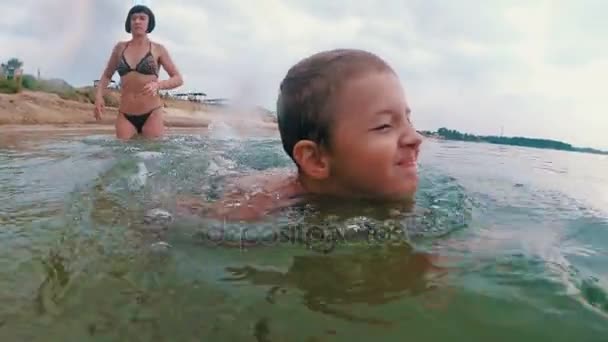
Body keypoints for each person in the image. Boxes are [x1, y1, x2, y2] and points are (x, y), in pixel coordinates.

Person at [178, 48, 423, 221]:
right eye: (384, 126)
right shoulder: (255, 208)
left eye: (407, 119)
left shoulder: (384, 191)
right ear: (316, 159)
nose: (415, 137)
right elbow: (187, 219)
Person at [94, 5, 183, 139]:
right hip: (125, 114)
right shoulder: (120, 48)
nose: (137, 21)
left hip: (152, 113)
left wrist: (158, 85)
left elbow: (178, 78)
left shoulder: (158, 49)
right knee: (123, 157)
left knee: (152, 157)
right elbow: (107, 75)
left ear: (149, 23)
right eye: (134, 18)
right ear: (129, 23)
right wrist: (99, 96)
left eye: (142, 18)